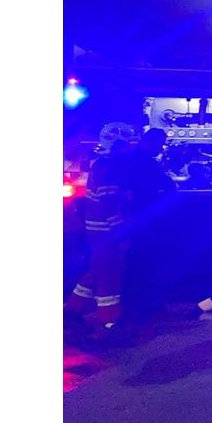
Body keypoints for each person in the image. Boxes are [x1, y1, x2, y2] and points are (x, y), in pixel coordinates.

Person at [64, 122, 137, 336]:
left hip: (97, 228)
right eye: (126, 146)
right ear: (118, 146)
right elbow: (108, 201)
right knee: (109, 272)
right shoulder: (109, 167)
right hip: (106, 229)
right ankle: (108, 318)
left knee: (96, 268)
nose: (129, 150)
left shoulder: (104, 163)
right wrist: (119, 231)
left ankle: (72, 308)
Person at [123, 128, 177, 315]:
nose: (161, 148)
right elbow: (166, 184)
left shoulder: (132, 157)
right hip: (145, 216)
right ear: (152, 142)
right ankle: (143, 303)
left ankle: (133, 301)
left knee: (136, 258)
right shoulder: (145, 162)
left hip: (135, 215)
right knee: (146, 259)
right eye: (160, 144)